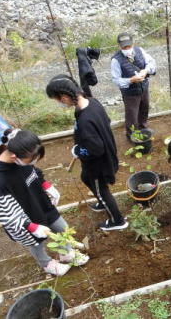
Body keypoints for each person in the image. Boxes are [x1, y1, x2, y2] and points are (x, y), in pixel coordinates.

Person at [0, 129, 89, 276]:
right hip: (26, 216)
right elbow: (5, 213)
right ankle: (46, 263)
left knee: (62, 228)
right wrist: (30, 226)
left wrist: (46, 185)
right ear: (15, 157)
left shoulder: (21, 158)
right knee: (36, 242)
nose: (33, 162)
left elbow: (33, 171)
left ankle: (67, 253)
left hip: (41, 203)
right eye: (31, 159)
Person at [46, 75, 127, 231]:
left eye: (57, 100)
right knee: (85, 177)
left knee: (101, 190)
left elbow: (96, 149)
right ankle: (102, 202)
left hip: (98, 164)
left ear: (64, 98)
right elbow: (107, 122)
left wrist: (79, 151)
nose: (59, 103)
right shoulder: (92, 103)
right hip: (99, 158)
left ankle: (118, 220)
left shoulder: (85, 121)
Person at [110, 32, 157, 139]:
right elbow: (116, 80)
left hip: (144, 87)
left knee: (144, 108)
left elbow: (151, 62)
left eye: (129, 46)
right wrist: (131, 80)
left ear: (133, 43)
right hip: (130, 93)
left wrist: (146, 70)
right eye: (124, 47)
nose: (127, 48)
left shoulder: (139, 51)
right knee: (132, 115)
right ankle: (132, 135)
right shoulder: (115, 60)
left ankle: (143, 127)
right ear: (119, 46)